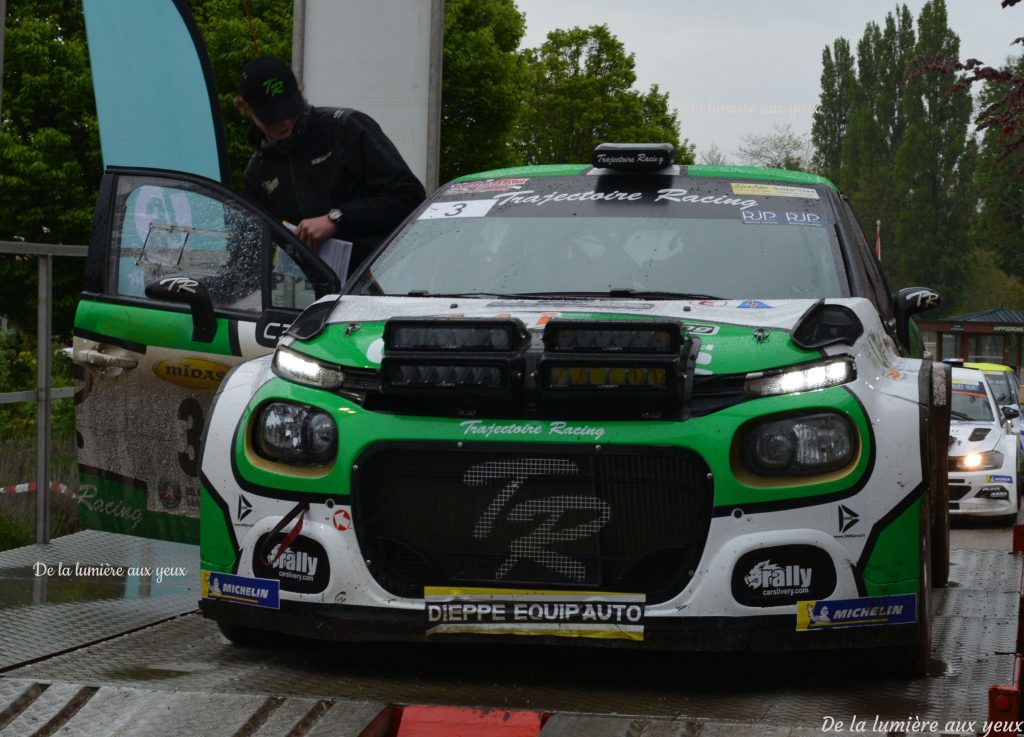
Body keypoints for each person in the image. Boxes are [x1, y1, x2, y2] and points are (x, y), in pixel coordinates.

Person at [235, 55, 426, 274]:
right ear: (246, 108)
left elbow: (410, 196)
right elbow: (253, 251)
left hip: (379, 280)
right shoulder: (257, 173)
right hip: (308, 294)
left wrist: (337, 219)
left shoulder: (345, 128)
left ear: (300, 92)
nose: (285, 120)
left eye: (290, 108)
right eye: (273, 115)